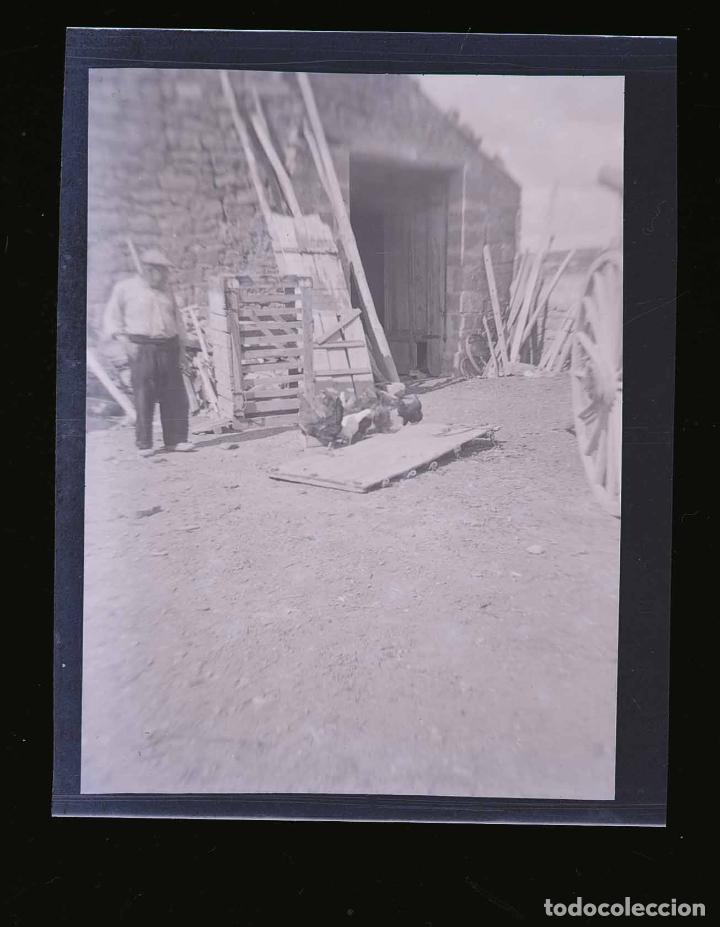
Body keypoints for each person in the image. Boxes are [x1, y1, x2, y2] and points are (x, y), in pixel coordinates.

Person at [102, 248, 193, 456]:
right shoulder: (125, 288)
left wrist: (182, 350)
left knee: (174, 394)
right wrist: (125, 342)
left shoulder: (167, 290)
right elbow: (112, 319)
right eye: (162, 271)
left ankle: (176, 440)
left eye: (167, 271)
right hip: (141, 347)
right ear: (148, 270)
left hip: (169, 346)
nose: (166, 275)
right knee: (144, 395)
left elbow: (178, 321)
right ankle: (145, 444)